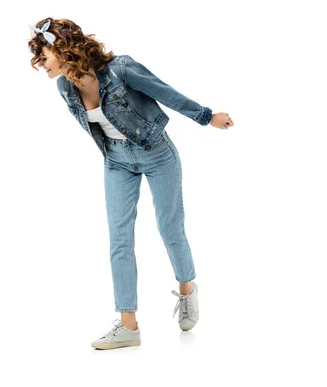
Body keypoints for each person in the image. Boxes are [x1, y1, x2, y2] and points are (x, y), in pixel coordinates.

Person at [28, 18, 234, 350]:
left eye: (43, 54)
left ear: (63, 48)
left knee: (170, 229)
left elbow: (164, 92)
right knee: (119, 239)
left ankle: (187, 290)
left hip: (156, 153)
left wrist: (206, 116)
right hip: (116, 161)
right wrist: (116, 156)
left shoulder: (120, 69)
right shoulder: (65, 87)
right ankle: (128, 326)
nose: (39, 63)